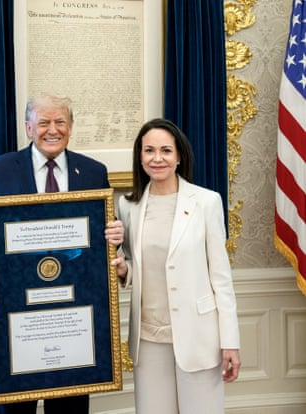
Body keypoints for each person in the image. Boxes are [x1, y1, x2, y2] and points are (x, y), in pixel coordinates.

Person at [0, 93, 124, 414]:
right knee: (15, 409)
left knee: (70, 407)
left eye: (60, 122)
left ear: (71, 126)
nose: (53, 130)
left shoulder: (93, 171)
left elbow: (100, 236)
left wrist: (115, 236)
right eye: (44, 122)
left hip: (74, 313)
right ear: (28, 127)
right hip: (15, 313)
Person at [112, 118, 241, 414]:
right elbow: (134, 262)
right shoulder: (128, 206)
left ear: (179, 156)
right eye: (149, 151)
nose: (157, 158)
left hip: (199, 337)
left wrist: (230, 342)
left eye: (166, 151)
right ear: (140, 156)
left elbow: (221, 278)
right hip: (147, 338)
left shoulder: (206, 202)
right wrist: (123, 270)